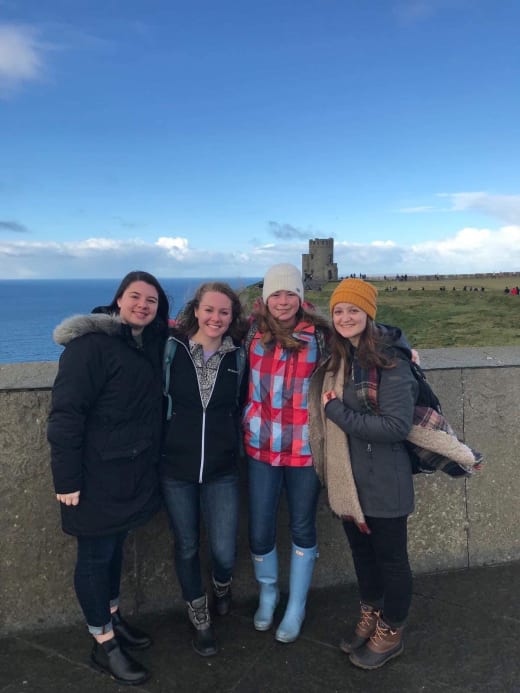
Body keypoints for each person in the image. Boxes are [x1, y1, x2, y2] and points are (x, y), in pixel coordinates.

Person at [308, 278, 481, 671]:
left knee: (390, 560)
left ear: (369, 314)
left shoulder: (391, 360)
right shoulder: (342, 356)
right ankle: (371, 615)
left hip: (385, 480)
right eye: (338, 311)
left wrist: (336, 412)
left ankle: (392, 629)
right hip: (349, 480)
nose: (345, 317)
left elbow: (394, 427)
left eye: (354, 310)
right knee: (362, 556)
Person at [47, 270, 169, 686]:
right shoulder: (90, 347)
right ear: (118, 300)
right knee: (95, 559)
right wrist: (66, 481)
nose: (142, 305)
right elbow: (66, 416)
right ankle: (103, 643)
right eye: (135, 297)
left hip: (128, 474)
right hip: (94, 477)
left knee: (114, 550)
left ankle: (114, 620)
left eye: (151, 301)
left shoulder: (142, 344)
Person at [242, 263, 330, 643]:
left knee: (302, 526)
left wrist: (406, 350)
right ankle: (268, 592)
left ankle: (296, 604)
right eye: (275, 294)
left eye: (289, 294)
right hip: (260, 447)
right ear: (264, 298)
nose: (282, 301)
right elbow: (194, 329)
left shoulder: (322, 336)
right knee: (260, 528)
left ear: (300, 297)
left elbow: (374, 336)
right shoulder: (248, 332)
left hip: (305, 450)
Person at [160, 282, 248, 657]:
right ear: (195, 310)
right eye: (209, 310)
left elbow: (240, 405)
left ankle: (222, 586)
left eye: (224, 312)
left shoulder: (239, 356)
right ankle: (200, 616)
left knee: (225, 550)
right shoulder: (170, 348)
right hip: (174, 468)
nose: (215, 318)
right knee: (186, 545)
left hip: (222, 468)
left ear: (232, 317)